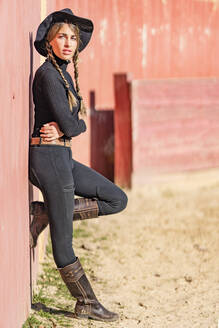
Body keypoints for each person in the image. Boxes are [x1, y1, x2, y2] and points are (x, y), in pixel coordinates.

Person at [29, 8, 128, 322]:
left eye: (73, 37)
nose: (69, 43)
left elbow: (74, 124)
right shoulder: (47, 74)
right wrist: (69, 125)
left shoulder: (64, 74)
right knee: (64, 241)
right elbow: (73, 125)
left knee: (117, 198)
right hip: (48, 158)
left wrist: (71, 125)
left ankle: (45, 213)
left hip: (64, 157)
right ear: (50, 41)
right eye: (62, 36)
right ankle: (86, 303)